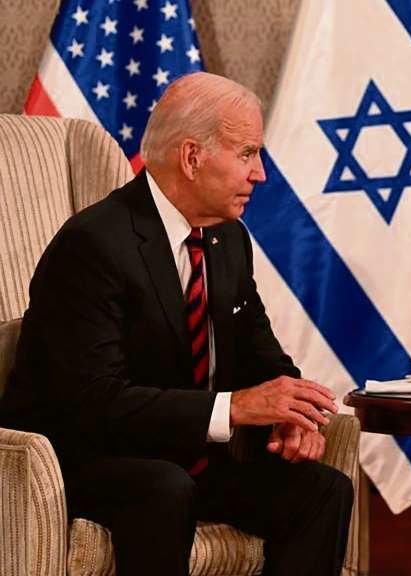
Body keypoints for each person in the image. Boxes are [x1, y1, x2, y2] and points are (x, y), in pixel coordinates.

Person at [0, 72, 352, 576]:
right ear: (192, 157)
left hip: (185, 453)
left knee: (322, 491)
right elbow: (93, 400)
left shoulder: (229, 239)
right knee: (165, 486)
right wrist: (234, 408)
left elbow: (260, 352)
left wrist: (291, 414)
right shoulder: (95, 244)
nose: (261, 175)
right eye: (247, 153)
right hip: (86, 457)